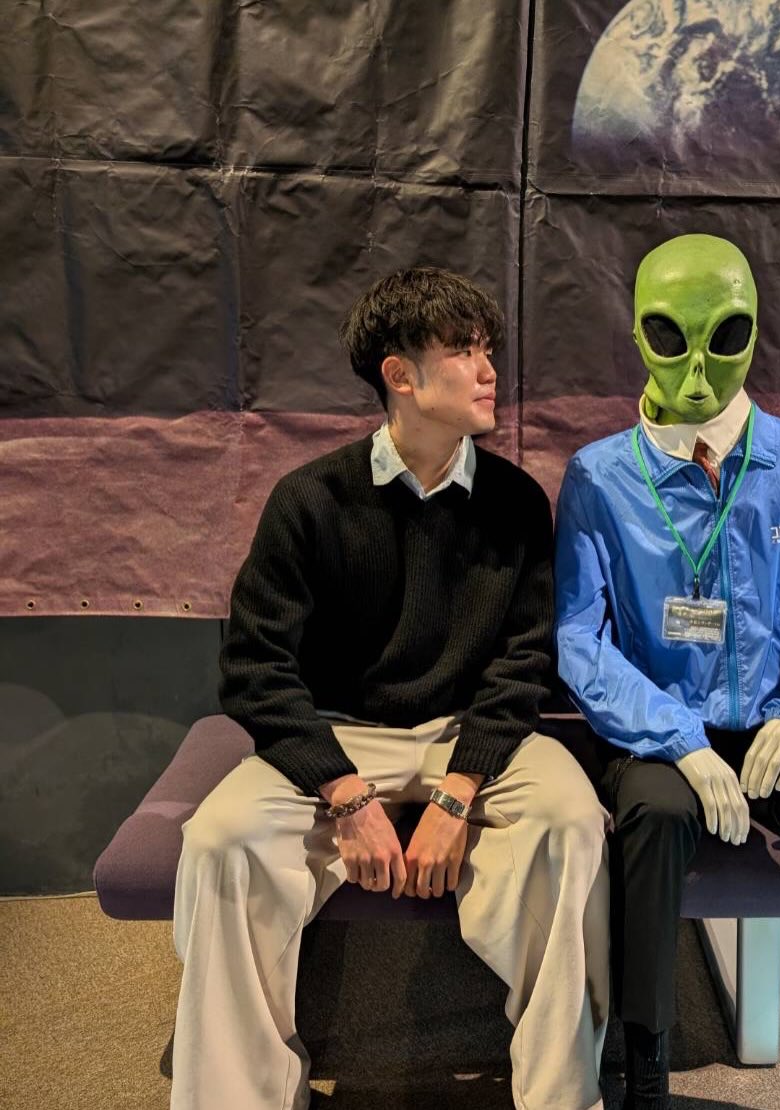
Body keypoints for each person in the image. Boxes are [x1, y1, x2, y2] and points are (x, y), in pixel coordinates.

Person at [171, 266, 610, 1110]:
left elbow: (524, 662)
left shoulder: (517, 503)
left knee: (570, 822)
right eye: (463, 351)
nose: (489, 370)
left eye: (488, 349)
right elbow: (255, 668)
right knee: (221, 839)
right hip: (342, 733)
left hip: (473, 735)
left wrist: (457, 792)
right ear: (399, 375)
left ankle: (561, 1096)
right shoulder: (309, 501)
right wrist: (344, 793)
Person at [554, 234, 780, 1110]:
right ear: (638, 336)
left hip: (779, 720)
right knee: (651, 821)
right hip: (659, 729)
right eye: (669, 336)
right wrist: (675, 738)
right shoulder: (599, 478)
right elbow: (578, 637)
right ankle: (645, 1083)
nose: (696, 371)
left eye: (723, 338)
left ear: (754, 333)